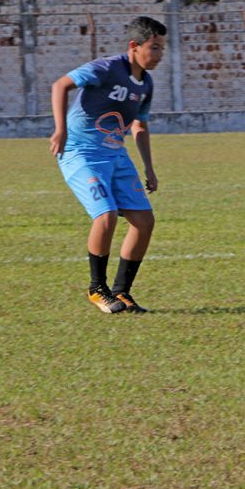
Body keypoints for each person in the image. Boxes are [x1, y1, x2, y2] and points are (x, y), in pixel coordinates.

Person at [49, 16, 166, 314]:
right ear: (134, 46)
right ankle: (96, 288)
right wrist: (60, 129)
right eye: (154, 47)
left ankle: (122, 292)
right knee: (106, 215)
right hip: (81, 153)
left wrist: (149, 168)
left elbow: (139, 126)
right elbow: (61, 85)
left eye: (162, 48)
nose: (159, 54)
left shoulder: (146, 83)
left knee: (144, 221)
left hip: (116, 154)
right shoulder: (105, 68)